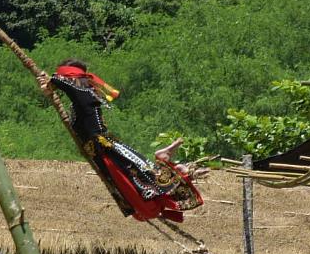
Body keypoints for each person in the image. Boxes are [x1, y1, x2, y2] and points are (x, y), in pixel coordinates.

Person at [47, 59, 204, 223]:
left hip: (104, 147)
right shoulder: (84, 95)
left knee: (136, 184)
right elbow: (66, 83)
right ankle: (166, 164)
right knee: (136, 185)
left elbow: (63, 81)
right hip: (102, 149)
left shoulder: (83, 94)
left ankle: (166, 164)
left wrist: (51, 81)